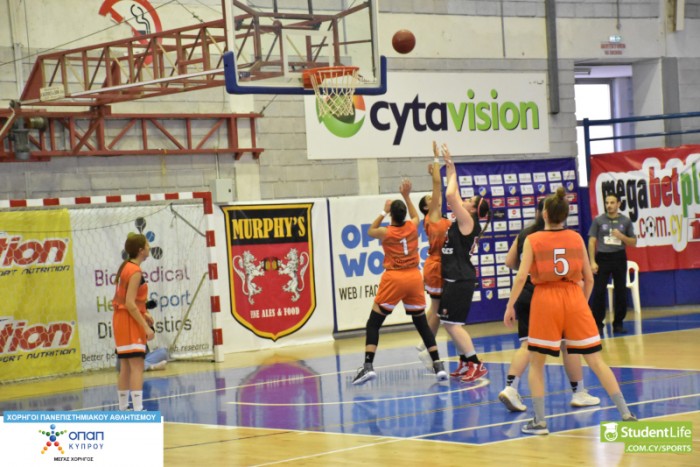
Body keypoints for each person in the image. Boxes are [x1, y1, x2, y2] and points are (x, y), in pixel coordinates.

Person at [504, 187, 636, 435]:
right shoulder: (576, 238)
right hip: (574, 296)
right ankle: (626, 414)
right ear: (565, 215)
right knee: (596, 360)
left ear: (544, 214)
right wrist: (581, 303)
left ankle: (540, 422)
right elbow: (589, 278)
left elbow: (521, 277)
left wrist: (510, 305)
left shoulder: (533, 239)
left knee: (537, 363)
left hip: (545, 298)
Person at [498, 198, 600, 412]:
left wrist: (527, 270)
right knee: (569, 345)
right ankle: (579, 392)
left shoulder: (525, 234)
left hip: (525, 293)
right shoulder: (565, 236)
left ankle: (511, 387)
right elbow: (582, 273)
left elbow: (509, 262)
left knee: (527, 345)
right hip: (551, 295)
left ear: (542, 213)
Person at [353, 179, 448, 385]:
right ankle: (438, 364)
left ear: (392, 216)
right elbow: (415, 215)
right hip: (413, 277)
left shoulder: (386, 232)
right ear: (404, 215)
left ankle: (368, 366)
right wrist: (406, 196)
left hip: (394, 278)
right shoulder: (412, 226)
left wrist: (383, 211)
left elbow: (370, 230)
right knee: (421, 323)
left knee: (374, 323)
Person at [438, 144, 491, 382]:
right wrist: (450, 166)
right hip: (454, 277)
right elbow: (455, 194)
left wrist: (452, 173)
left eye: (469, 200)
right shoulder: (466, 218)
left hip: (460, 279)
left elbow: (451, 196)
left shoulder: (468, 222)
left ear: (473, 209)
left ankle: (476, 363)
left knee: (453, 325)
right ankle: (464, 362)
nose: (465, 200)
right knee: (450, 323)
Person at [415, 141, 453, 369]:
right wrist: (436, 159)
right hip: (437, 265)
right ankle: (427, 348)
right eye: (429, 200)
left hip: (438, 264)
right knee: (438, 310)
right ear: (426, 208)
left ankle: (425, 346)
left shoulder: (436, 218)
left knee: (436, 310)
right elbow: (438, 185)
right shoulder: (434, 216)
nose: (433, 198)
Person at [113, 233, 155, 410]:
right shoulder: (135, 271)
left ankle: (123, 408)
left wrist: (145, 313)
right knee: (137, 366)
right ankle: (138, 410)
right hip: (129, 322)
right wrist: (146, 327)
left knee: (126, 367)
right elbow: (130, 303)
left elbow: (128, 301)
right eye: (147, 245)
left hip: (120, 319)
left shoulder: (125, 267)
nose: (149, 247)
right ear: (140, 250)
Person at [588, 193, 637, 334]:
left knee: (621, 290)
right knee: (599, 291)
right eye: (607, 203)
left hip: (619, 257)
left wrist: (621, 236)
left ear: (618, 204)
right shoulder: (598, 220)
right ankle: (598, 323)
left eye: (612, 202)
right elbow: (591, 241)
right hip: (603, 258)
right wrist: (592, 261)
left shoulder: (625, 221)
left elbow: (633, 242)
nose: (609, 205)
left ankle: (618, 323)